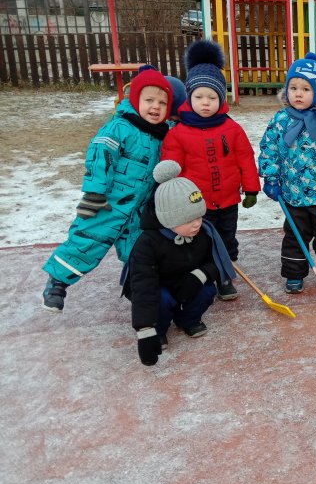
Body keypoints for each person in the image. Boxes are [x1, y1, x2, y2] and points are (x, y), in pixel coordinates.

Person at [41, 65, 173, 312]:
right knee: (88, 240)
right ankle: (57, 283)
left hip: (139, 209)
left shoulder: (163, 134)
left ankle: (140, 293)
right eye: (149, 100)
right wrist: (95, 192)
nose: (155, 107)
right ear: (136, 100)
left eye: (162, 103)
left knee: (139, 251)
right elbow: (101, 156)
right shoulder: (121, 127)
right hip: (107, 202)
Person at [161, 40, 261, 301]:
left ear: (221, 99)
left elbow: (245, 158)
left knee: (227, 238)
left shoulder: (232, 129)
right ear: (189, 97)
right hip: (196, 204)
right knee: (201, 242)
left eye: (212, 97)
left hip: (228, 199)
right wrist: (172, 196)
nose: (205, 103)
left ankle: (225, 275)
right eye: (199, 97)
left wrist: (251, 188)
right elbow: (172, 169)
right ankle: (203, 278)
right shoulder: (178, 134)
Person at [126, 160, 236, 366]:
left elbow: (217, 261)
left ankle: (188, 319)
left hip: (186, 281)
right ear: (168, 219)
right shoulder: (148, 243)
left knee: (206, 291)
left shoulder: (204, 233)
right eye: (188, 220)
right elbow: (143, 286)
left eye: (199, 216)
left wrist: (200, 275)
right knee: (162, 299)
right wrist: (145, 331)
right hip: (159, 287)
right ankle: (159, 329)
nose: (196, 224)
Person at [258, 53, 316, 294]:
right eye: (294, 88)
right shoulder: (281, 120)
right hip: (292, 195)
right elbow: (270, 149)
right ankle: (294, 275)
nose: (298, 94)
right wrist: (270, 176)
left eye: (306, 89)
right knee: (294, 236)